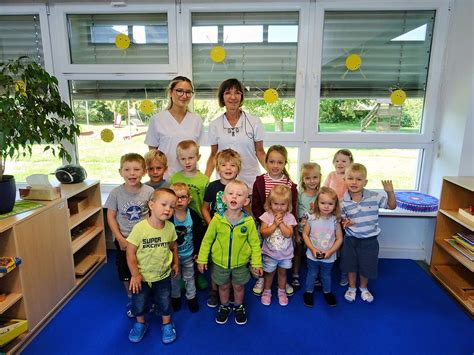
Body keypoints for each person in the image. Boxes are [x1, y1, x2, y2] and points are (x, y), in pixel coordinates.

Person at [197, 180, 263, 325]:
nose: (234, 197)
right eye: (230, 194)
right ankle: (225, 306)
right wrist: (202, 259)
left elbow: (254, 244)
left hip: (240, 264)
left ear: (245, 201)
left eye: (239, 195)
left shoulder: (248, 222)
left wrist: (256, 262)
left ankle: (239, 306)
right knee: (223, 286)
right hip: (220, 263)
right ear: (224, 198)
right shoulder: (217, 219)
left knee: (239, 286)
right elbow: (207, 240)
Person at [126, 188, 179, 344]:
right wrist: (135, 275)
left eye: (172, 206)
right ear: (151, 205)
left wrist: (176, 263)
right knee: (139, 302)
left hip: (163, 275)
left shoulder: (170, 228)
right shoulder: (140, 228)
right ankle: (140, 322)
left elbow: (173, 246)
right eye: (164, 204)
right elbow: (130, 253)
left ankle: (167, 323)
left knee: (165, 301)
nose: (168, 209)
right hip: (142, 277)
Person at [104, 153, 154, 318]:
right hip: (124, 239)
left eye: (136, 169)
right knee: (126, 271)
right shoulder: (115, 193)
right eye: (127, 169)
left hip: (144, 239)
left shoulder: (149, 191)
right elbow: (110, 216)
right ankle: (132, 297)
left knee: (144, 268)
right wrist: (119, 238)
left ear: (144, 172)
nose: (132, 173)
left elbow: (154, 214)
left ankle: (146, 296)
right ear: (120, 172)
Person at [340, 163, 396, 303]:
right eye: (350, 178)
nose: (354, 182)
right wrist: (345, 222)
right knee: (350, 265)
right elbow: (340, 219)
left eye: (359, 179)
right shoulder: (342, 202)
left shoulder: (374, 196)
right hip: (351, 239)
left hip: (370, 240)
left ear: (365, 182)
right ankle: (352, 288)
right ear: (344, 180)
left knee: (367, 265)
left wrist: (390, 192)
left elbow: (391, 206)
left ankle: (363, 288)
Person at [252, 145, 298, 297]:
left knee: (283, 254)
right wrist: (267, 220)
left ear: (285, 163)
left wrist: (290, 227)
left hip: (284, 226)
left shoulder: (290, 185)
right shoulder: (260, 181)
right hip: (266, 225)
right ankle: (262, 278)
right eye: (272, 162)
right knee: (264, 252)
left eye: (279, 162)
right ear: (266, 162)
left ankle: (282, 283)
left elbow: (293, 208)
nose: (275, 166)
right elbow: (256, 205)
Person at [205, 78, 266, 188]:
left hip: (250, 180)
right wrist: (205, 179)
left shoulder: (254, 121)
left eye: (237, 93)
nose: (233, 97)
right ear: (222, 97)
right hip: (224, 181)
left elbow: (260, 152)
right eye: (228, 93)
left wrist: (275, 173)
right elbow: (214, 155)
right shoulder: (214, 125)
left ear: (241, 97)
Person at [201, 148, 242, 308]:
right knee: (216, 261)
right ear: (218, 168)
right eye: (224, 165)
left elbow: (246, 208)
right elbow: (205, 208)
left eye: (232, 165)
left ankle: (231, 288)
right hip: (216, 231)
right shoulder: (212, 186)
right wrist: (211, 224)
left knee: (232, 259)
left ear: (238, 168)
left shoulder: (241, 186)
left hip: (234, 231)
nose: (228, 168)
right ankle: (214, 289)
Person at [145, 76, 203, 178]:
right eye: (179, 91)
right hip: (166, 178)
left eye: (188, 92)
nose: (184, 95)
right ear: (170, 93)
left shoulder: (196, 120)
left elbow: (196, 151)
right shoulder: (157, 119)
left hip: (190, 178)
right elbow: (152, 154)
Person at [302, 187, 343, 308]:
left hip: (329, 256)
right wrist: (312, 249)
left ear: (335, 205)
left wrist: (331, 251)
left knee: (326, 275)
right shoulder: (312, 218)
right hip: (312, 255)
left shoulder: (335, 220)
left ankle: (327, 292)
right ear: (317, 203)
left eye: (330, 203)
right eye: (323, 203)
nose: (326, 206)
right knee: (312, 273)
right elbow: (305, 234)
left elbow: (339, 238)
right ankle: (308, 292)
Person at [168, 183, 206, 313]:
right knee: (174, 278)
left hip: (189, 254)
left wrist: (197, 251)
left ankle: (191, 298)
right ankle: (175, 298)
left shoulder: (193, 215)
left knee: (189, 277)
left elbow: (200, 234)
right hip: (173, 257)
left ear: (189, 199)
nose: (179, 200)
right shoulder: (168, 217)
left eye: (183, 197)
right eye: (176, 197)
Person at [260, 185, 298, 306]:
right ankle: (267, 291)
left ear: (288, 204)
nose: (279, 207)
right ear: (270, 203)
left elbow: (288, 234)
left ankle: (281, 291)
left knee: (282, 273)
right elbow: (264, 233)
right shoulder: (266, 216)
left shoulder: (290, 217)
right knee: (269, 274)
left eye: (283, 204)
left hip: (285, 254)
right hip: (270, 253)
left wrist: (280, 223)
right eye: (275, 203)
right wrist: (274, 224)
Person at [324, 149, 354, 287]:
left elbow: (352, 195)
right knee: (329, 240)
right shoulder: (331, 175)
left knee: (344, 246)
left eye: (343, 161)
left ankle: (344, 273)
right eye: (337, 161)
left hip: (345, 216)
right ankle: (325, 268)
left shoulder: (349, 177)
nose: (340, 163)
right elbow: (324, 190)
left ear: (350, 163)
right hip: (330, 214)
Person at [293, 162, 322, 289]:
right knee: (298, 252)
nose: (312, 181)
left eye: (315, 177)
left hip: (316, 231)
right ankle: (295, 275)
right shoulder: (299, 195)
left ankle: (315, 275)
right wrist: (295, 233)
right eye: (308, 178)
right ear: (303, 180)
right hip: (300, 230)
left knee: (314, 253)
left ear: (320, 177)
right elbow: (293, 213)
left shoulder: (321, 194)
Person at [170, 140, 209, 219]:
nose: (187, 162)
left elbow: (207, 205)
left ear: (198, 157)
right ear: (178, 159)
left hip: (200, 221)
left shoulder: (204, 180)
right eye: (183, 159)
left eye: (191, 158)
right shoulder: (174, 178)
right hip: (178, 220)